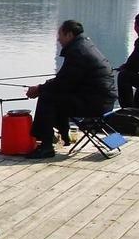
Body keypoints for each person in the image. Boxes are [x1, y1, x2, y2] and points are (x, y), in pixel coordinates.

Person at [25, 20, 117, 159]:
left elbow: (63, 83)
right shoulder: (85, 45)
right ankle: (63, 135)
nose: (58, 39)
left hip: (95, 103)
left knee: (47, 97)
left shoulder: (77, 51)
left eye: (60, 35)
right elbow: (66, 79)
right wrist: (44, 87)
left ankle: (46, 146)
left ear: (69, 35)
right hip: (104, 100)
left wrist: (39, 89)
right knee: (54, 94)